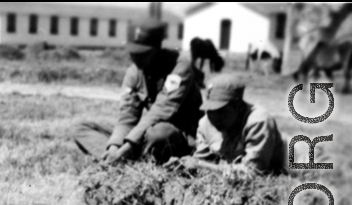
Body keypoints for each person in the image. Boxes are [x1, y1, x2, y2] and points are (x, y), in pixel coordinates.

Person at [74, 22, 203, 165]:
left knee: (159, 133)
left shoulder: (180, 66)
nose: (136, 57)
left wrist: (126, 147)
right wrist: (114, 146)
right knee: (82, 128)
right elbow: (127, 118)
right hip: (145, 135)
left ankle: (129, 160)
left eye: (142, 53)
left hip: (179, 136)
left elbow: (161, 111)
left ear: (157, 48)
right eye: (132, 51)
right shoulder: (133, 73)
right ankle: (116, 160)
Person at [182, 74, 286, 175]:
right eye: (210, 110)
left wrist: (200, 165)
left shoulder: (258, 121)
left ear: (238, 106)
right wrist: (182, 164)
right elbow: (201, 160)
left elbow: (253, 171)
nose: (214, 117)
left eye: (220, 111)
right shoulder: (205, 123)